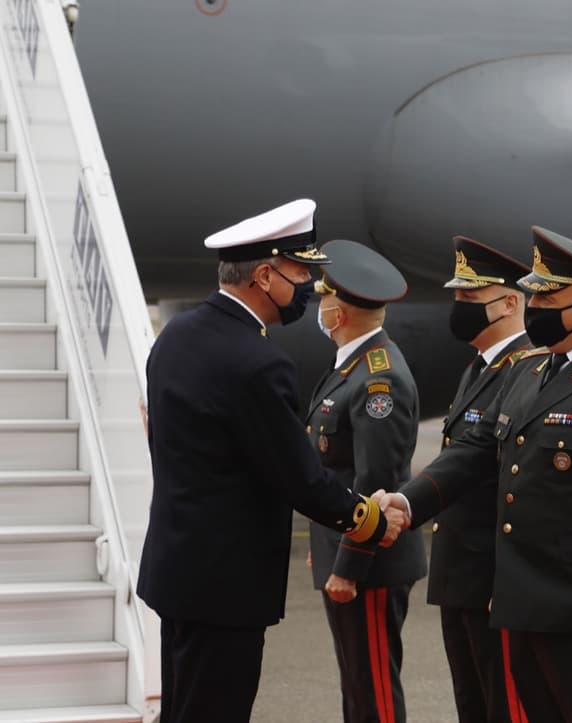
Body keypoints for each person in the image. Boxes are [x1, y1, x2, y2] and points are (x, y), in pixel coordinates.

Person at [379, 226, 572, 723]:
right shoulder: (530, 370)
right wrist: (408, 503)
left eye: (548, 296)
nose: (534, 306)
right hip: (519, 601)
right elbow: (474, 452)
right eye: (533, 294)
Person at [137, 199, 402, 723]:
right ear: (264, 274)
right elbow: (299, 478)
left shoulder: (177, 335)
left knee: (184, 708)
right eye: (301, 271)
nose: (308, 285)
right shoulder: (258, 362)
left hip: (178, 569)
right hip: (227, 584)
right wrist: (368, 519)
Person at [305, 239, 428, 723]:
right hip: (349, 547)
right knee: (357, 684)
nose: (320, 306)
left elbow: (375, 479)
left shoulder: (379, 379)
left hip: (371, 562)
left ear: (340, 309)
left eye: (324, 297)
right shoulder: (351, 366)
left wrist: (349, 565)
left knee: (373, 685)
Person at [430, 235, 532, 723]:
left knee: (501, 705)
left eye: (470, 299)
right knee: (471, 703)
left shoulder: (525, 369)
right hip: (460, 574)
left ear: (510, 302)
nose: (459, 308)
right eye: (458, 299)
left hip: (491, 577)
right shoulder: (479, 367)